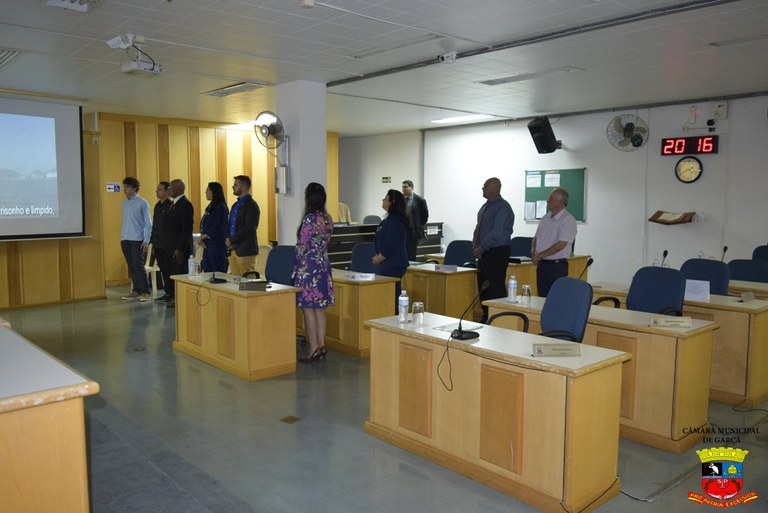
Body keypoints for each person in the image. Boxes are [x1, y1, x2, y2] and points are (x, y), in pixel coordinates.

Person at [292, 183, 335, 363]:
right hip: (323, 266)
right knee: (320, 308)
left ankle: (312, 349)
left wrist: (296, 267)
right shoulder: (327, 218)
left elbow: (301, 246)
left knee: (308, 308)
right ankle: (321, 345)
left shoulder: (310, 219)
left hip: (308, 268)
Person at [472, 177, 514, 322]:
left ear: (495, 189)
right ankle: (486, 317)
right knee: (483, 287)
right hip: (484, 252)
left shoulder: (503, 207)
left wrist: (480, 248)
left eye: (485, 186)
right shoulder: (486, 206)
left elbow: (496, 233)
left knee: (494, 287)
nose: (482, 188)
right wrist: (476, 247)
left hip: (496, 252)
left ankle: (497, 319)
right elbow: (479, 227)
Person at [532, 188, 577, 297]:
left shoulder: (568, 220)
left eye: (551, 199)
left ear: (561, 202)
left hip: (557, 266)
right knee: (542, 298)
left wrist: (540, 255)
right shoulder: (545, 217)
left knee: (555, 298)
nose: (548, 201)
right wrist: (533, 252)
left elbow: (561, 245)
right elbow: (535, 238)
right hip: (542, 265)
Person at [372, 189, 410, 312]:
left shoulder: (394, 220)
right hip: (389, 262)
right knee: (391, 293)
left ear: (392, 202)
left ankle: (396, 316)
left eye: (386, 198)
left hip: (393, 263)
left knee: (391, 295)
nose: (383, 200)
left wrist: (378, 259)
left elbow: (390, 245)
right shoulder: (388, 219)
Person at [162, 179, 194, 309]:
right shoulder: (173, 204)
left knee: (180, 273)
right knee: (172, 273)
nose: (168, 190)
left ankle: (181, 299)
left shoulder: (185, 204)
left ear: (178, 189)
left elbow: (186, 229)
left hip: (179, 248)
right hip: (170, 246)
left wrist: (180, 248)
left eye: (171, 188)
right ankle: (174, 297)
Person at [120, 176, 152, 302]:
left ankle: (146, 291)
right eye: (124, 187)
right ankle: (136, 290)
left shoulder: (143, 203)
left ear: (134, 188)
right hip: (125, 238)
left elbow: (148, 223)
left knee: (138, 265)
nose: (125, 189)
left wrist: (146, 240)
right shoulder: (124, 203)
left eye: (127, 187)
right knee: (131, 266)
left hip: (137, 238)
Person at [226, 175, 260, 276]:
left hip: (245, 249)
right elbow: (229, 224)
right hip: (233, 249)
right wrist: (227, 238)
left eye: (236, 185)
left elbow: (249, 227)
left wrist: (232, 240)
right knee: (235, 280)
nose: (233, 187)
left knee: (248, 281)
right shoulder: (235, 205)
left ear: (244, 187)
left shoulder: (251, 205)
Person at [197, 182, 229, 273]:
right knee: (207, 271)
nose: (205, 192)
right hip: (208, 244)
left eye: (207, 190)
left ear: (213, 192)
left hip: (216, 244)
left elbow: (217, 227)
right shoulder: (211, 206)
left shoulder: (221, 207)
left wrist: (202, 237)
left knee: (217, 272)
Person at [150, 181, 171, 300]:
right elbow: (155, 225)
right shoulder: (157, 206)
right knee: (163, 269)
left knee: (169, 269)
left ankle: (172, 293)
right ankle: (167, 292)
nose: (157, 191)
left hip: (167, 243)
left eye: (160, 189)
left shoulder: (171, 205)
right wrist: (152, 242)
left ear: (167, 191)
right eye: (157, 189)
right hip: (157, 243)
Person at [401, 179, 429, 261]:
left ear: (412, 187)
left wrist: (418, 225)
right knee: (402, 252)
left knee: (411, 253)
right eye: (402, 187)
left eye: (405, 187)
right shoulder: (399, 199)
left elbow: (425, 216)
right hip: (402, 229)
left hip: (413, 230)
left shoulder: (420, 200)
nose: (403, 189)